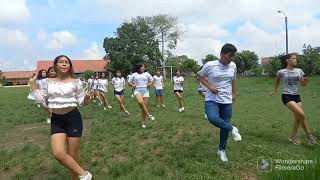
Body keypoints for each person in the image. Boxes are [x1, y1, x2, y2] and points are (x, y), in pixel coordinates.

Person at [30, 55, 93, 180]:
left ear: (70, 66)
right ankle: (85, 174)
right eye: (61, 62)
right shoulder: (47, 82)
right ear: (55, 65)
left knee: (73, 155)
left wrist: (86, 99)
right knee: (58, 153)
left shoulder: (76, 82)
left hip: (73, 118)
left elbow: (81, 101)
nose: (64, 64)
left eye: (67, 62)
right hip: (57, 120)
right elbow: (41, 100)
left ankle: (77, 178)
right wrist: (33, 85)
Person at [197, 43, 242, 162]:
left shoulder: (233, 66)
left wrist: (234, 93)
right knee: (212, 118)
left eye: (233, 56)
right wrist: (209, 86)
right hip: (212, 99)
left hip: (226, 100)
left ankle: (221, 150)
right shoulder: (210, 65)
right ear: (222, 54)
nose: (231, 58)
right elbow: (200, 77)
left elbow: (233, 79)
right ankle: (233, 129)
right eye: (229, 55)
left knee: (224, 125)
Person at [271, 53, 317, 145]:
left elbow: (303, 84)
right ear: (288, 60)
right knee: (302, 115)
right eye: (294, 58)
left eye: (296, 58)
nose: (296, 60)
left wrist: (305, 81)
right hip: (287, 96)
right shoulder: (281, 71)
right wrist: (274, 90)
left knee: (298, 118)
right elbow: (277, 80)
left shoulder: (299, 71)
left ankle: (293, 136)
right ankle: (308, 135)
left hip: (297, 96)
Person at [128, 64, 155, 128]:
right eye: (142, 66)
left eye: (144, 66)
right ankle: (149, 115)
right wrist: (132, 85)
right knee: (140, 102)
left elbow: (153, 80)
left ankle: (143, 122)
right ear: (138, 68)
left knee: (143, 108)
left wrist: (150, 84)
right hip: (137, 90)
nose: (143, 67)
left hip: (145, 91)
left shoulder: (147, 74)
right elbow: (129, 82)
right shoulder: (134, 74)